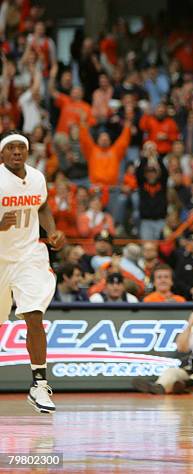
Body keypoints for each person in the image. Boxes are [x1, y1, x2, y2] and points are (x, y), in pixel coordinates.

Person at [0, 130, 66, 413]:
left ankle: (39, 384)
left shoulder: (37, 177)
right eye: (11, 148)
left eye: (21, 147)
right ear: (2, 154)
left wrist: (52, 233)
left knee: (34, 314)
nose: (17, 152)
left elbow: (43, 207)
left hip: (29, 255)